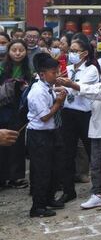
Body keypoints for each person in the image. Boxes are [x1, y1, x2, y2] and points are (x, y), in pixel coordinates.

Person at [57, 57, 101, 209]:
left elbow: (92, 92)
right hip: (95, 129)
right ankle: (97, 193)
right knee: (96, 165)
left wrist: (73, 85)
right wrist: (66, 88)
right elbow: (86, 89)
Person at [57, 33, 100, 204]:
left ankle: (98, 190)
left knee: (92, 152)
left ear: (84, 53)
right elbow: (59, 86)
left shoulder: (91, 70)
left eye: (75, 51)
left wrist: (64, 84)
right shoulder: (69, 68)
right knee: (67, 153)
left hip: (85, 115)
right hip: (68, 113)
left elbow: (76, 89)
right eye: (71, 51)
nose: (71, 54)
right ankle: (68, 191)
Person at [26, 53, 67, 217]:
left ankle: (49, 198)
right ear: (42, 74)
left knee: (54, 168)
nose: (56, 75)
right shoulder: (37, 91)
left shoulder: (47, 86)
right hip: (39, 135)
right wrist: (58, 102)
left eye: (57, 72)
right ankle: (38, 206)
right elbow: (44, 117)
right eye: (53, 72)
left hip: (51, 132)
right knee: (42, 170)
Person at [0, 40, 33, 189]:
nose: (18, 53)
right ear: (9, 52)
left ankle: (16, 177)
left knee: (17, 142)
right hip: (4, 109)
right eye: (14, 50)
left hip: (20, 111)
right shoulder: (1, 68)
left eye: (21, 50)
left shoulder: (29, 70)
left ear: (26, 52)